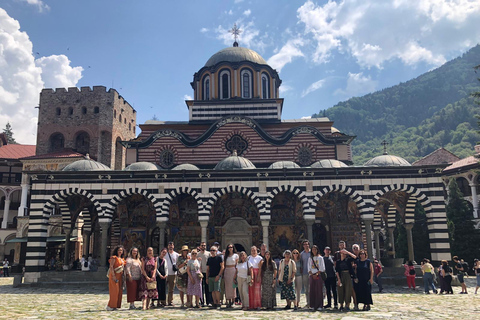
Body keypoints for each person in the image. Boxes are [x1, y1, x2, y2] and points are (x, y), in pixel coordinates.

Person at [335, 244, 355, 311]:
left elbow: (355, 257)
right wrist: (338, 279)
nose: (343, 254)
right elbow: (337, 270)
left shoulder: (348, 260)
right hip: (341, 275)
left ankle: (347, 305)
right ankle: (341, 305)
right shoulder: (338, 262)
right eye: (342, 253)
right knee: (340, 290)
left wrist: (348, 252)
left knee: (348, 290)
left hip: (347, 275)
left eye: (344, 254)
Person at [106, 245, 126, 311]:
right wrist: (113, 276)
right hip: (114, 276)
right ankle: (110, 305)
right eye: (119, 250)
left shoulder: (122, 259)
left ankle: (116, 305)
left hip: (120, 276)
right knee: (114, 291)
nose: (120, 251)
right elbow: (111, 267)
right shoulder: (114, 258)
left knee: (119, 291)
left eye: (121, 250)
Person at [308, 245, 325, 311]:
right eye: (313, 249)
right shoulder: (310, 258)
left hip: (318, 275)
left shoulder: (320, 258)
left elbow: (322, 268)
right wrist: (312, 274)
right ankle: (312, 305)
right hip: (312, 275)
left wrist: (317, 274)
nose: (314, 251)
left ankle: (319, 305)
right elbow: (308, 267)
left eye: (315, 249)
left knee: (319, 290)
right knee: (312, 290)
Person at [223, 243, 238, 308]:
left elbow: (237, 264)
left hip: (233, 270)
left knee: (233, 286)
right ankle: (228, 301)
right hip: (227, 270)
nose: (230, 248)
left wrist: (236, 273)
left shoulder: (236, 255)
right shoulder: (226, 256)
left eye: (231, 247)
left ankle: (233, 301)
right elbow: (224, 264)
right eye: (229, 247)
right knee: (227, 286)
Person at [248, 245, 263, 310]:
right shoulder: (248, 258)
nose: (253, 252)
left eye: (255, 250)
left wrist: (258, 276)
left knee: (257, 290)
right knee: (251, 289)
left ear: (257, 251)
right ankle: (251, 305)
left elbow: (260, 268)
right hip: (250, 273)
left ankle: (257, 305)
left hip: (257, 273)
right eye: (252, 250)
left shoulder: (259, 258)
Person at [197, 242, 212, 306]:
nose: (203, 246)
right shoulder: (197, 254)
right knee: (200, 288)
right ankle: (202, 301)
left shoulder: (208, 253)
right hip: (200, 272)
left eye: (204, 245)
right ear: (200, 247)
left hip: (207, 272)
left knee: (207, 288)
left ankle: (208, 302)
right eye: (202, 245)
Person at [166, 241, 179, 306]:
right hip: (165, 273)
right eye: (169, 245)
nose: (171, 246)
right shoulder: (165, 254)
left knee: (171, 288)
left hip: (173, 273)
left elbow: (178, 263)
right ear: (168, 246)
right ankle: (162, 301)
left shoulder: (176, 254)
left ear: (173, 246)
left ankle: (170, 301)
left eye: (172, 245)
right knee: (162, 288)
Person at [300, 239, 311, 307]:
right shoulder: (301, 254)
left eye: (307, 244)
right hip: (304, 273)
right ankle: (308, 302)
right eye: (304, 244)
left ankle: (313, 301)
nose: (306, 246)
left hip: (312, 273)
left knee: (312, 288)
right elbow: (301, 264)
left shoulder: (312, 253)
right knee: (306, 289)